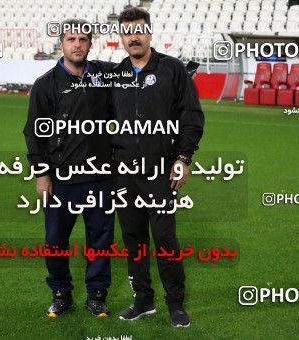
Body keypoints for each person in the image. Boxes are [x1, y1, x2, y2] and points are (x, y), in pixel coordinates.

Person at [111, 7, 205, 327]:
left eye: (139, 30)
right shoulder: (116, 76)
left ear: (150, 33)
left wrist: (183, 159)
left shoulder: (172, 69)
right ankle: (143, 300)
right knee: (134, 240)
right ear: (121, 38)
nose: (133, 37)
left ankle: (175, 304)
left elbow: (190, 116)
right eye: (127, 32)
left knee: (165, 239)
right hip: (125, 175)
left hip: (160, 172)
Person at [23, 18, 115, 318]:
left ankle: (97, 296)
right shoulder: (45, 85)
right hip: (61, 181)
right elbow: (34, 133)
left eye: (83, 40)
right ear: (60, 43)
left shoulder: (105, 76)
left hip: (101, 178)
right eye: (71, 39)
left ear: (91, 43)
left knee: (100, 241)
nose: (77, 44)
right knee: (55, 241)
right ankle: (61, 293)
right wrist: (42, 173)